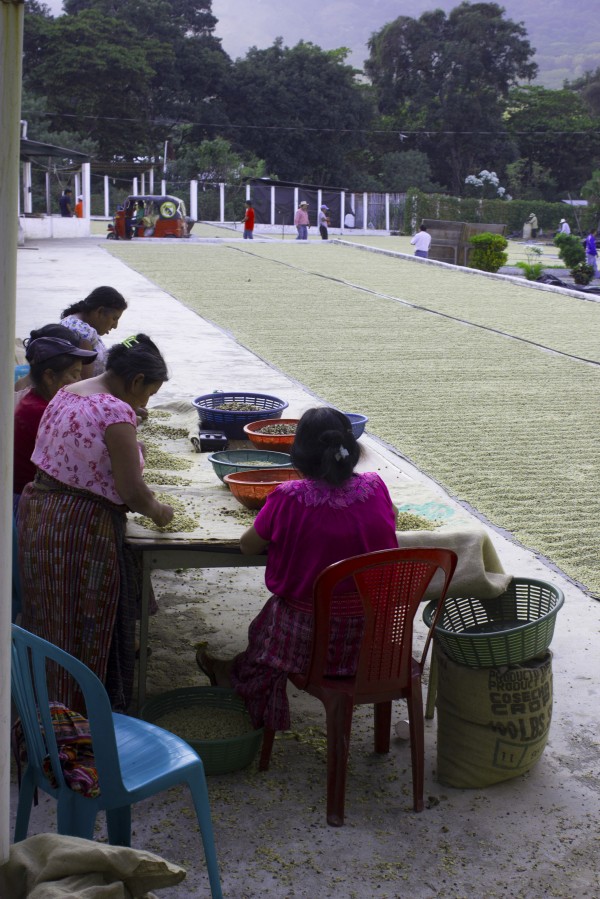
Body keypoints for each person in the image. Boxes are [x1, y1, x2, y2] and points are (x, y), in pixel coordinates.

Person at [196, 407, 399, 731]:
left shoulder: (288, 497)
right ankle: (234, 670)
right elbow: (393, 517)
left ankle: (236, 674)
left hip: (308, 644)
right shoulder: (376, 487)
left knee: (272, 618)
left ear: (299, 454)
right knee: (279, 616)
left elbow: (248, 546)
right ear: (349, 451)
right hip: (373, 642)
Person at [18, 334, 174, 713]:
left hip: (41, 512)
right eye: (149, 393)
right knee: (85, 623)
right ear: (136, 381)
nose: (145, 402)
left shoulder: (71, 391)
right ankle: (81, 717)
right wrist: (160, 511)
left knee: (52, 619)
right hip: (79, 526)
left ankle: (47, 704)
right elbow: (133, 492)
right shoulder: (115, 411)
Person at [14, 329, 97, 498]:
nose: (79, 380)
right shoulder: (42, 412)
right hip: (29, 498)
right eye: (74, 374)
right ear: (50, 377)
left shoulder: (35, 399)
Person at [61, 286, 127, 376]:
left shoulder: (71, 320)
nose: (115, 326)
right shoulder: (83, 334)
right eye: (114, 318)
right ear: (99, 312)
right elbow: (85, 381)